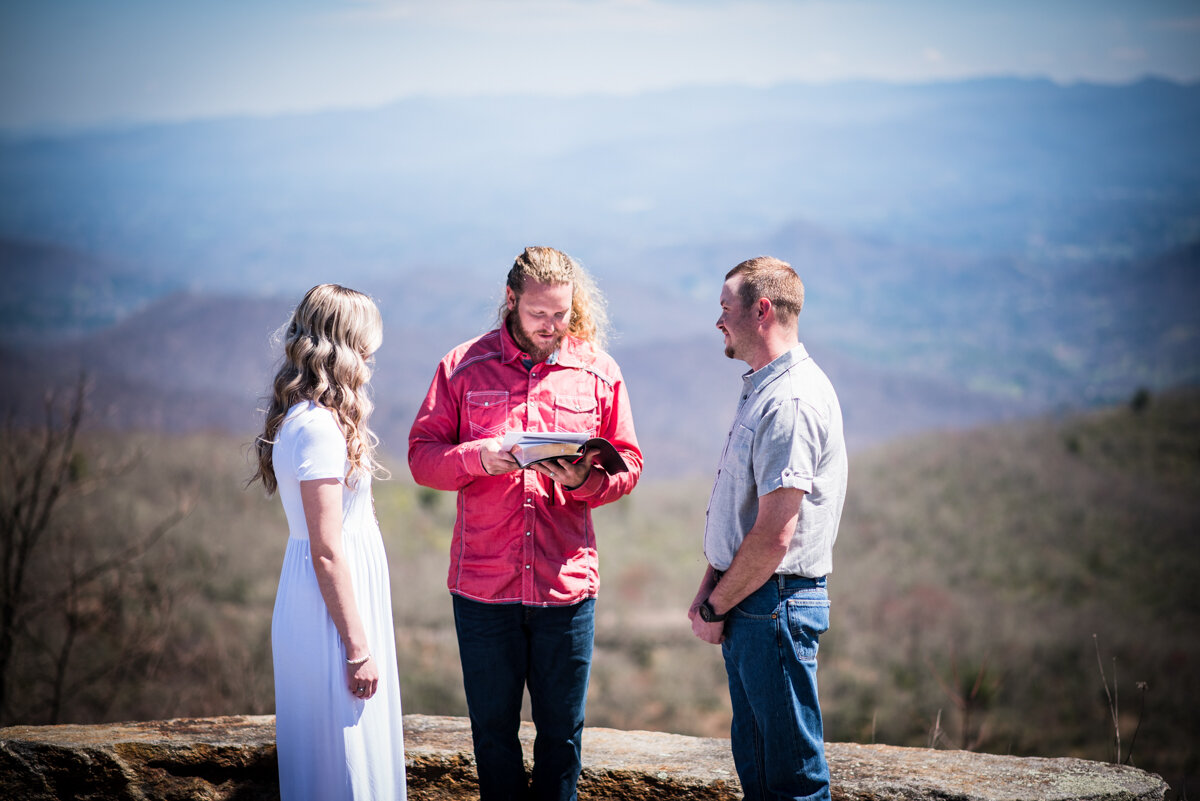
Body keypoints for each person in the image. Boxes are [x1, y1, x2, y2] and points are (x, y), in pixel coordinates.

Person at [408, 246, 642, 801]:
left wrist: (584, 483)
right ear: (510, 301)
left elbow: (629, 465)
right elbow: (422, 458)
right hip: (483, 588)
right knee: (493, 737)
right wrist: (481, 458)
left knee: (562, 738)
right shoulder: (462, 367)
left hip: (565, 587)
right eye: (539, 314)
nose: (551, 326)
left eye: (561, 314)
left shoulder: (598, 371)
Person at [688, 257, 848, 801]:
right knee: (760, 777)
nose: (718, 322)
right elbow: (742, 509)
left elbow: (776, 534)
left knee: (793, 783)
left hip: (772, 605)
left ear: (761, 311)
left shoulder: (792, 402)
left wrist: (715, 606)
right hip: (753, 601)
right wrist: (711, 586)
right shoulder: (765, 387)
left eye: (725, 310)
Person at [252, 284, 407, 801]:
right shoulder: (318, 429)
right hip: (330, 613)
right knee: (344, 764)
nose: (370, 360)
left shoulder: (307, 418)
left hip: (327, 601)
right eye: (366, 347)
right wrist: (358, 647)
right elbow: (326, 547)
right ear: (344, 346)